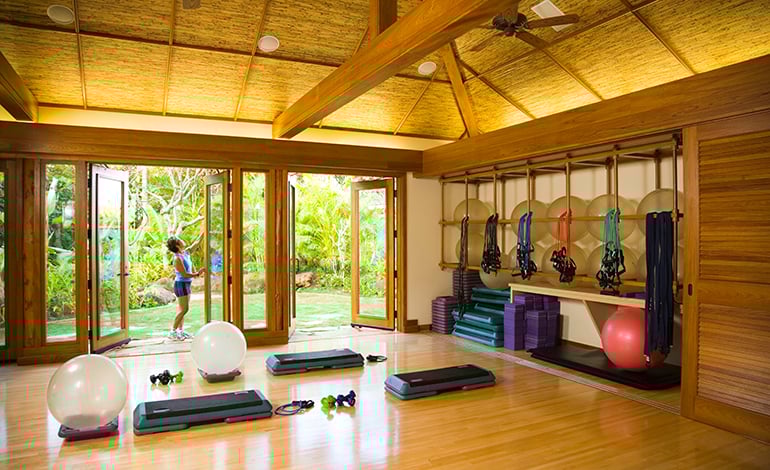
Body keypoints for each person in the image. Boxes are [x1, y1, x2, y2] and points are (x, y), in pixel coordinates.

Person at [166, 236, 204, 341]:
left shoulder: (185, 253)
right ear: (177, 245)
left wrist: (203, 233)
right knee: (185, 309)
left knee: (182, 309)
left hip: (186, 284)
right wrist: (198, 273)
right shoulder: (177, 259)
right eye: (180, 240)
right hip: (181, 285)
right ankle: (172, 331)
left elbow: (196, 243)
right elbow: (185, 274)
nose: (183, 240)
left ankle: (180, 331)